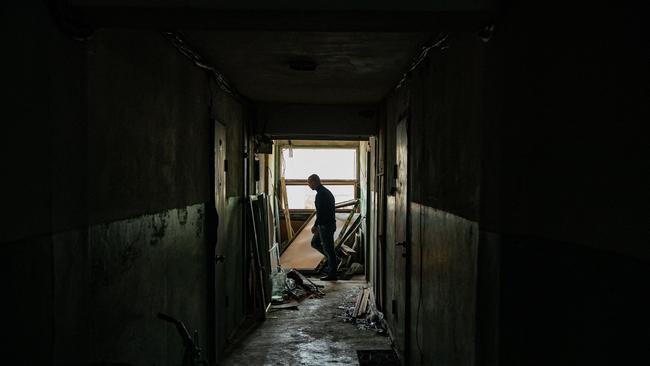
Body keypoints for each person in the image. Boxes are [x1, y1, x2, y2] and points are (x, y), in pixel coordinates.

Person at [307, 174, 339, 281]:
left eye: (309, 182)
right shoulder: (324, 192)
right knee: (315, 243)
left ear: (314, 182)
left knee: (329, 250)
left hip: (326, 226)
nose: (308, 185)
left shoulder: (322, 194)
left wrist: (315, 225)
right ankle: (333, 261)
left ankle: (332, 273)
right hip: (326, 225)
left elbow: (321, 212)